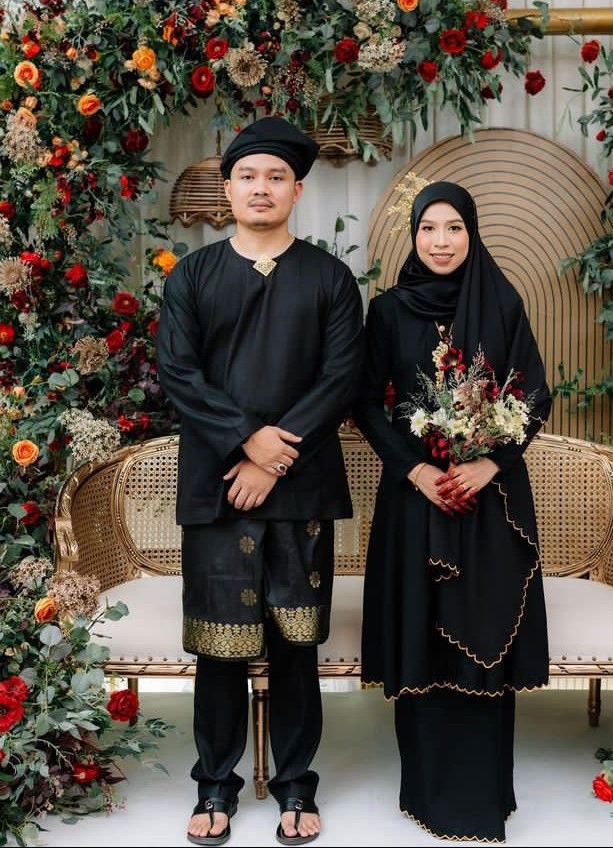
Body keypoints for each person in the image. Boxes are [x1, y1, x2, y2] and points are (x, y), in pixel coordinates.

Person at [156, 116, 364, 847]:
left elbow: (341, 377)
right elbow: (179, 373)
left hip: (300, 492)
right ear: (229, 186)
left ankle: (295, 786)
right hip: (217, 489)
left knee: (294, 646)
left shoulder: (331, 278)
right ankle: (215, 784)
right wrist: (245, 440)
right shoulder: (192, 276)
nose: (261, 188)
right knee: (218, 647)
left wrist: (272, 456)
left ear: (297, 189)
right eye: (248, 176)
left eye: (276, 176)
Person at [354, 181, 552, 841]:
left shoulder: (501, 300)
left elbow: (535, 392)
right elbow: (365, 402)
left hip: (487, 503)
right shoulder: (387, 311)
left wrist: (490, 461)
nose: (440, 240)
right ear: (413, 236)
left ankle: (485, 796)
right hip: (418, 502)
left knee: (484, 631)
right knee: (424, 633)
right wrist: (415, 469)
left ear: (472, 232)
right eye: (428, 228)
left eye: (454, 227)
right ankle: (428, 793)